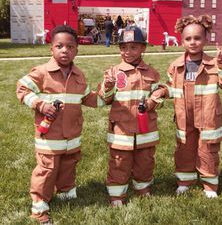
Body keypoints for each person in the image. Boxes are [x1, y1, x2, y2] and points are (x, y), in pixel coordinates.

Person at [16, 25, 104, 224]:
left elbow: (89, 98)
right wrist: (40, 104)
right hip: (50, 136)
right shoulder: (42, 72)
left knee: (68, 165)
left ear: (77, 50)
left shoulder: (79, 75)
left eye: (70, 47)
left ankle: (65, 195)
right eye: (59, 46)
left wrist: (107, 93)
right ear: (51, 49)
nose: (65, 50)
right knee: (47, 170)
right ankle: (39, 208)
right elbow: (21, 88)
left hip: (72, 136)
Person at [156, 15, 222, 198]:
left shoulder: (213, 64)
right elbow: (172, 88)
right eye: (188, 39)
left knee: (208, 150)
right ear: (182, 41)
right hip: (184, 116)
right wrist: (162, 91)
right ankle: (185, 181)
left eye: (197, 38)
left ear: (205, 39)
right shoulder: (175, 66)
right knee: (184, 149)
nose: (193, 42)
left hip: (208, 117)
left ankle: (209, 185)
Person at [98, 26, 164, 207]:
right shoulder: (113, 72)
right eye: (124, 47)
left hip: (146, 128)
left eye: (133, 47)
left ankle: (143, 187)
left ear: (143, 48)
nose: (128, 52)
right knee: (119, 161)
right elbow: (105, 98)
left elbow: (159, 94)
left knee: (146, 160)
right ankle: (116, 194)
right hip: (121, 128)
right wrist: (108, 85)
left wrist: (152, 102)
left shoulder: (151, 72)